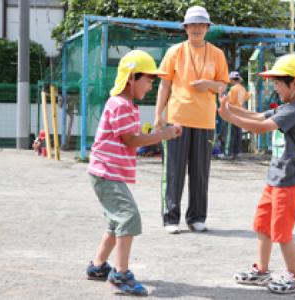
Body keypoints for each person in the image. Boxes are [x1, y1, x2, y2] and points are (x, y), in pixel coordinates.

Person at [86, 50, 182, 296]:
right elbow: (131, 140)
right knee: (129, 217)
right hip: (106, 173)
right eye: (149, 80)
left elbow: (131, 138)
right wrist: (165, 134)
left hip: (109, 173)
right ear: (131, 77)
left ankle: (98, 266)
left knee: (116, 220)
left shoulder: (125, 105)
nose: (151, 86)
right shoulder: (119, 104)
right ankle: (120, 274)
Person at [218, 54, 295, 294]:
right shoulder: (287, 106)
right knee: (263, 226)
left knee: (282, 232)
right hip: (276, 178)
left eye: (277, 82)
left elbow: (261, 128)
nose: (274, 86)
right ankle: (262, 270)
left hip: (290, 180)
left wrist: (229, 117)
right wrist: (233, 110)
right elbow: (259, 116)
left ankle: (294, 276)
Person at [154, 5, 229, 234]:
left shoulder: (217, 54)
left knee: (200, 172)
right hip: (177, 118)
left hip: (205, 121)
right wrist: (159, 115)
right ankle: (171, 218)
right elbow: (164, 84)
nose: (196, 28)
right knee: (174, 170)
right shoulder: (175, 51)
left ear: (207, 27)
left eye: (201, 24)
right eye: (192, 24)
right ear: (185, 28)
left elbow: (223, 85)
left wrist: (209, 85)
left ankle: (197, 217)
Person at [223, 71, 250, 159]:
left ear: (232, 80)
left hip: (232, 113)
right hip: (240, 113)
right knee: (238, 133)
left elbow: (230, 102)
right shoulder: (242, 88)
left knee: (230, 134)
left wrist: (223, 99)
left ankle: (228, 153)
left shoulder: (233, 89)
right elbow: (247, 97)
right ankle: (237, 152)